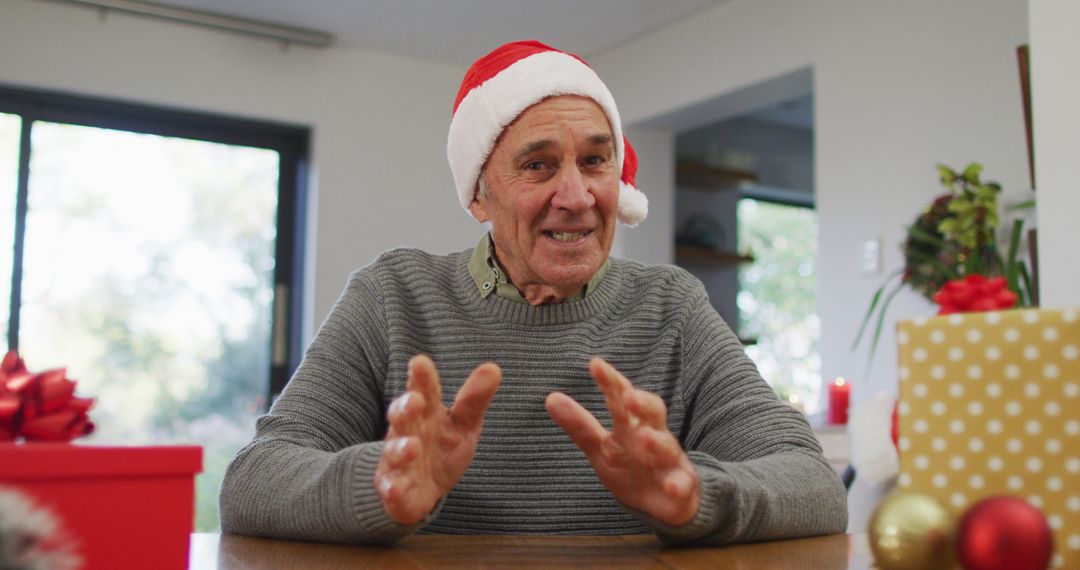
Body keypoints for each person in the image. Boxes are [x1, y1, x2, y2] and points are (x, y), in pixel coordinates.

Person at [219, 40, 847, 545]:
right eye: (538, 164)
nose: (576, 197)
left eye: (596, 162)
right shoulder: (393, 296)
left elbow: (813, 484)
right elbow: (252, 481)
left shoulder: (670, 306)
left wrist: (698, 497)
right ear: (477, 194)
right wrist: (378, 488)